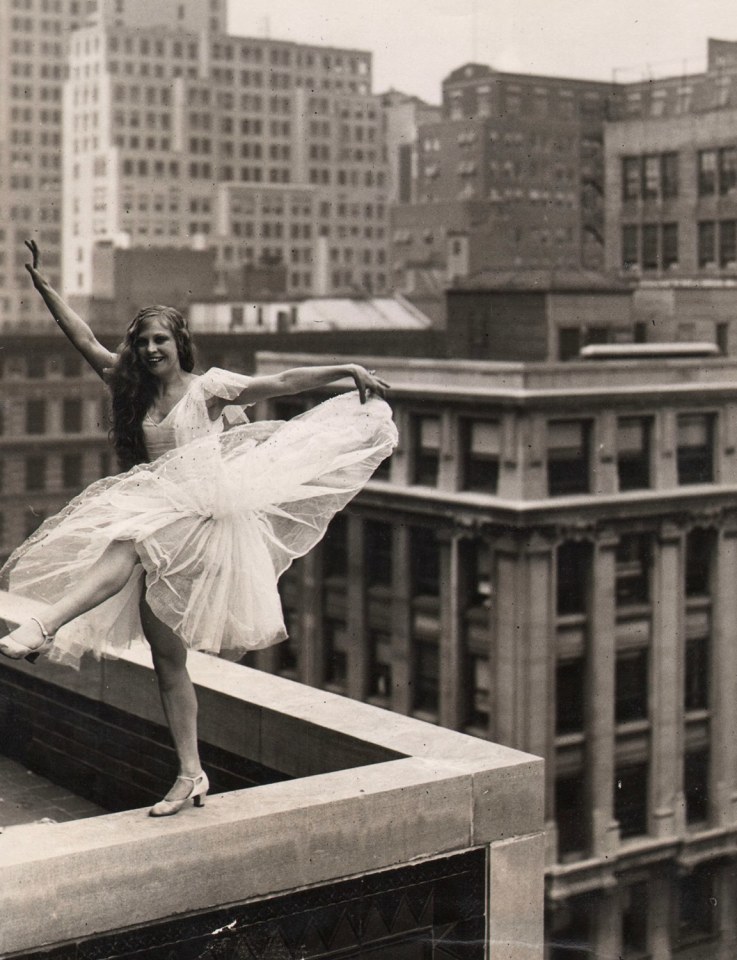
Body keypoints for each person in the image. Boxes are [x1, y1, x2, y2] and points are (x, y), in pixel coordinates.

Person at [0, 240, 397, 816]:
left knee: (131, 539)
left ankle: (45, 624)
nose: (151, 348)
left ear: (179, 344)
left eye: (161, 339)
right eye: (143, 341)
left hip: (205, 524)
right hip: (164, 522)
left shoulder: (206, 389)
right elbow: (82, 338)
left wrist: (347, 369)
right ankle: (191, 774)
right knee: (168, 661)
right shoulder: (130, 388)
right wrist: (43, 288)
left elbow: (284, 382)